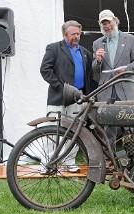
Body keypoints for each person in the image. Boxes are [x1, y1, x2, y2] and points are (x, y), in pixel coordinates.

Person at [40, 20, 93, 173]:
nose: (76, 36)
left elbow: (89, 73)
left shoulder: (84, 52)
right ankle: (48, 163)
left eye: (78, 33)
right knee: (53, 130)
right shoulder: (54, 48)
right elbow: (45, 70)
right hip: (58, 96)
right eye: (73, 34)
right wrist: (60, 86)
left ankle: (69, 162)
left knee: (75, 130)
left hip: (78, 97)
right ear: (65, 34)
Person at [92, 9, 134, 149]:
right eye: (104, 24)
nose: (107, 26)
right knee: (107, 127)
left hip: (125, 86)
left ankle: (131, 158)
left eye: (109, 22)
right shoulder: (97, 43)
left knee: (129, 123)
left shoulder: (131, 39)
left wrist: (126, 69)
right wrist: (97, 60)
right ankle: (109, 158)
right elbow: (95, 70)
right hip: (106, 89)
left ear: (115, 21)